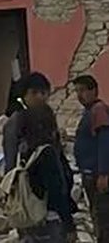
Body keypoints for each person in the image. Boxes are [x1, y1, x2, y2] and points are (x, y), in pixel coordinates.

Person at [17, 103, 78, 242]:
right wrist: (69, 224)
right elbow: (57, 190)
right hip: (50, 219)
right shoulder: (47, 153)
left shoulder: (26, 149)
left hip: (30, 216)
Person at [73, 74, 109, 242]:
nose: (79, 95)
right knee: (97, 215)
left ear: (94, 90)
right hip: (89, 173)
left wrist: (103, 173)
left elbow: (104, 141)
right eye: (76, 91)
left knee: (103, 217)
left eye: (83, 90)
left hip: (97, 174)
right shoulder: (88, 112)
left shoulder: (98, 110)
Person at [5, 72, 53, 173]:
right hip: (26, 176)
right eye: (34, 93)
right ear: (24, 96)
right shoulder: (17, 119)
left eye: (43, 93)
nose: (40, 97)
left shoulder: (49, 116)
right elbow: (11, 154)